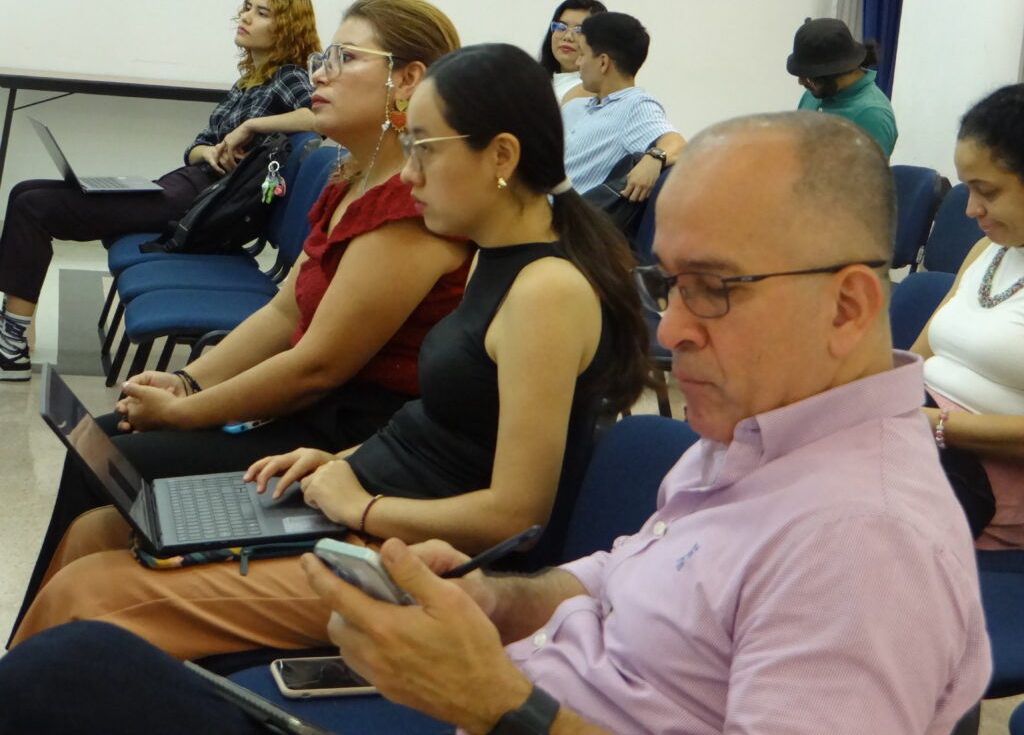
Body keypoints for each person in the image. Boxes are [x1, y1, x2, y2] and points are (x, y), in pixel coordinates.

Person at [0, 110, 990, 735]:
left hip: (498, 711)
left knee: (70, 670)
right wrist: (501, 602)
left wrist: (499, 702)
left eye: (714, 290)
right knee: (77, 652)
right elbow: (621, 575)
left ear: (852, 306)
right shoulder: (759, 442)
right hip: (487, 687)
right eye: (666, 284)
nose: (671, 328)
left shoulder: (865, 539)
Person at [9, 42, 652, 661]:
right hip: (361, 492)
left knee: (86, 591)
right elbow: (447, 426)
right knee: (96, 532)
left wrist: (361, 503)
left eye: (426, 148)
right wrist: (339, 461)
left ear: (501, 155)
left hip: (420, 554)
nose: (411, 172)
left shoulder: (548, 290)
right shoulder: (493, 254)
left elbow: (518, 514)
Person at [6, 0, 469, 644]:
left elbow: (318, 366)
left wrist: (191, 409)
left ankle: (40, 657)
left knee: (111, 449)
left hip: (348, 432)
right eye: (322, 55)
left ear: (408, 79)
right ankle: (42, 651)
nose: (322, 72)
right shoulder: (348, 175)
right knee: (102, 447)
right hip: (303, 388)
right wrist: (190, 383)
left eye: (345, 57)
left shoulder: (408, 205)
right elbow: (286, 308)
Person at [0, 0, 321, 381]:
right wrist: (209, 150)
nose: (245, 16)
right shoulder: (248, 82)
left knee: (35, 206)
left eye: (261, 12)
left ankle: (10, 346)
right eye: (246, 7)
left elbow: (320, 117)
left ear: (288, 27)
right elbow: (198, 145)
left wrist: (252, 125)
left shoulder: (288, 76)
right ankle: (11, 330)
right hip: (185, 184)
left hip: (201, 205)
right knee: (24, 191)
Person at [911, 83, 1024, 549]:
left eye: (987, 191)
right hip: (925, 430)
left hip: (984, 473)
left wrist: (930, 425)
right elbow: (915, 358)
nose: (971, 209)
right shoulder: (988, 250)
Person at [562, 11, 684, 202]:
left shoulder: (634, 106)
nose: (578, 63)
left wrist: (655, 157)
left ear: (603, 62)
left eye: (582, 54)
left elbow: (677, 144)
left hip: (561, 224)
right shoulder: (573, 108)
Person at [787, 17, 898, 157]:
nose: (801, 82)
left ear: (836, 72)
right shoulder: (814, 93)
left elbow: (866, 177)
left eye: (809, 76)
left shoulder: (872, 115)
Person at [537, 0, 607, 105]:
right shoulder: (536, 79)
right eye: (561, 27)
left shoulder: (588, 92)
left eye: (579, 30)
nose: (568, 37)